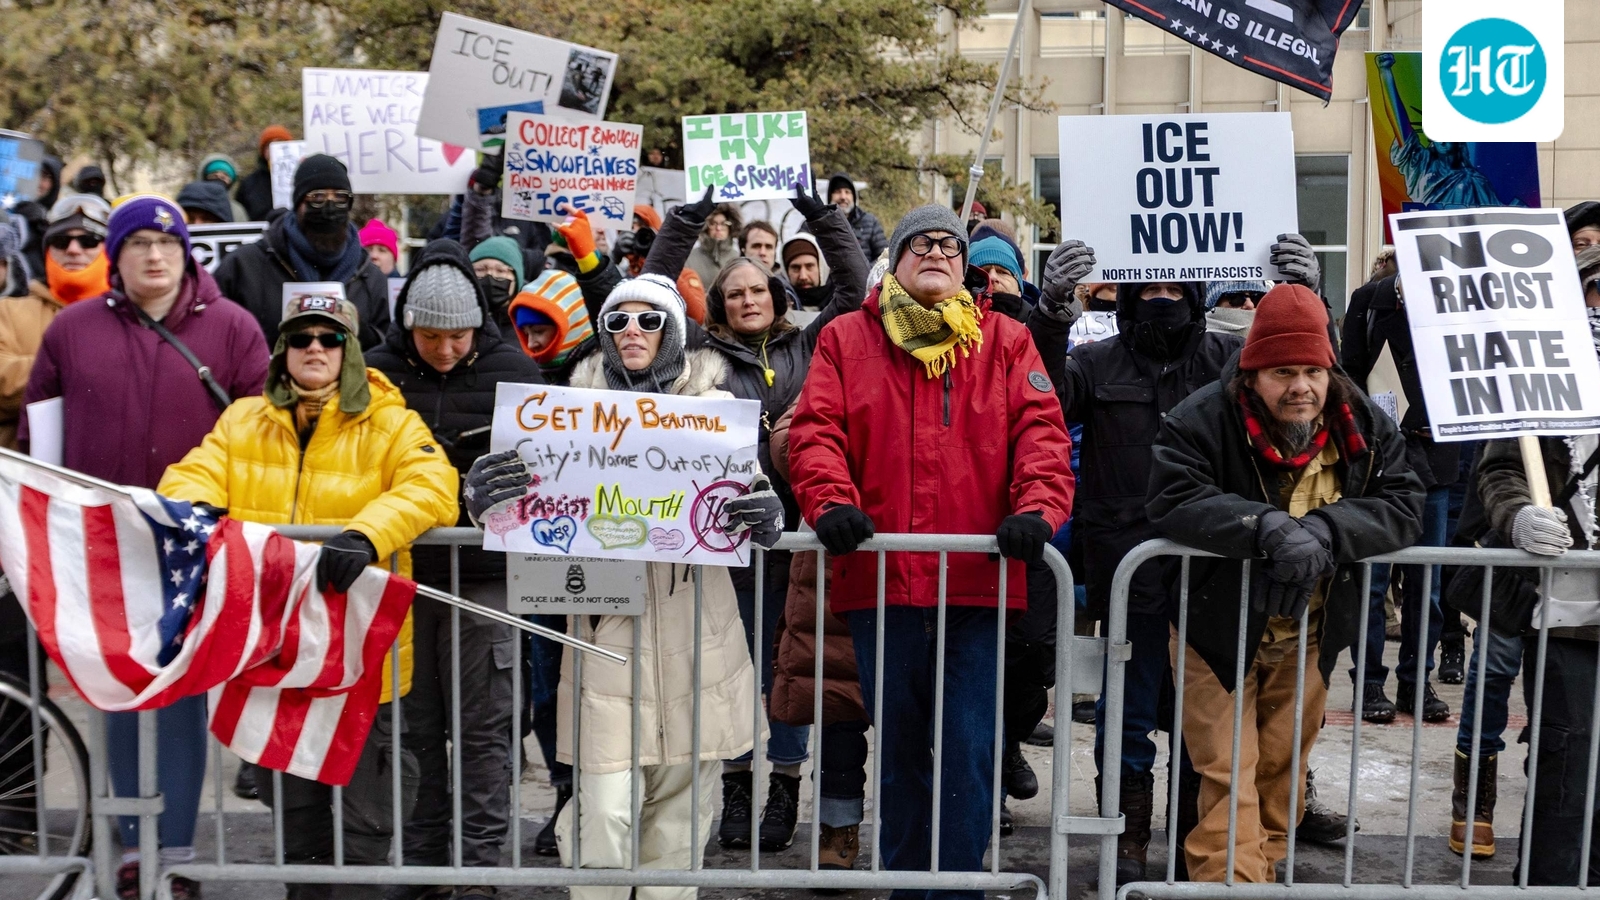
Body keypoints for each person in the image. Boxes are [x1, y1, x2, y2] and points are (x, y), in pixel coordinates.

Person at [461, 272, 779, 900]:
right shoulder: (560, 419)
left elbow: (755, 504)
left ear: (675, 332)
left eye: (650, 320)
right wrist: (482, 500)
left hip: (699, 644)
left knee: (680, 828)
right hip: (605, 645)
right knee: (602, 816)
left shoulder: (717, 416)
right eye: (618, 321)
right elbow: (525, 515)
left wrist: (768, 516)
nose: (633, 331)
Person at [788, 205, 1075, 899]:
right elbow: (815, 430)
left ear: (965, 264)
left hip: (975, 588)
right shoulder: (846, 339)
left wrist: (1035, 511)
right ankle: (910, 889)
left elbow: (1043, 438)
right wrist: (830, 502)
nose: (938, 253)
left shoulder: (1005, 341)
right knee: (902, 756)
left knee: (970, 755)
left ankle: (957, 891)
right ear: (899, 260)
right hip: (881, 585)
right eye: (922, 243)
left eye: (950, 244)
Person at [159, 292, 456, 900]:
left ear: (351, 350)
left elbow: (433, 486)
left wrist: (367, 534)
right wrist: (197, 507)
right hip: (279, 658)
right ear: (282, 351)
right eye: (300, 339)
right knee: (298, 829)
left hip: (361, 663)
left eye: (329, 338)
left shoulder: (392, 420)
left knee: (366, 824)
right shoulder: (243, 420)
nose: (314, 349)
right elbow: (191, 474)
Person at [1048, 232, 1323, 883]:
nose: (1163, 301)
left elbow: (1305, 389)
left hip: (1216, 582)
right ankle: (1128, 848)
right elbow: (1043, 400)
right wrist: (1050, 313)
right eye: (1150, 291)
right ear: (1128, 296)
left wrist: (1307, 298)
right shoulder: (1093, 362)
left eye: (1176, 290)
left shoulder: (1231, 358)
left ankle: (1199, 856)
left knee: (1212, 735)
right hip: (1130, 579)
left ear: (1196, 294)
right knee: (1129, 724)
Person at [23, 193, 270, 899]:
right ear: (116, 256)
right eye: (137, 245)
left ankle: (180, 853)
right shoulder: (71, 331)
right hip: (98, 551)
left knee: (183, 698)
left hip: (196, 550)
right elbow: (36, 440)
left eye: (165, 244)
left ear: (186, 251)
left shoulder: (234, 328)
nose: (153, 256)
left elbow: (266, 440)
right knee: (116, 696)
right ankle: (133, 852)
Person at [1145, 284, 1422, 883]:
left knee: (1281, 777)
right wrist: (1263, 526)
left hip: (1311, 635)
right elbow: (1171, 497)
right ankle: (1229, 888)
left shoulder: (1365, 424)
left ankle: (1261, 877)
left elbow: (1404, 501)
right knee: (1227, 776)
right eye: (1282, 372)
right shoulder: (1201, 419)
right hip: (1215, 631)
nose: (1300, 386)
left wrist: (1327, 528)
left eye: (1311, 371)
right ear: (1251, 374)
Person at [647, 183, 869, 849]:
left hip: (804, 544)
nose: (748, 298)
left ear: (779, 298)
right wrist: (686, 218)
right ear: (718, 304)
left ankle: (784, 789)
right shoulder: (695, 356)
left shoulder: (813, 346)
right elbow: (652, 291)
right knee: (734, 673)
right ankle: (739, 791)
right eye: (735, 291)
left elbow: (856, 292)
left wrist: (824, 219)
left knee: (793, 672)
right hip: (728, 547)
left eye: (759, 290)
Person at [365, 240, 544, 899]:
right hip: (402, 577)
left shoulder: (513, 369)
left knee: (484, 734)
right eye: (431, 337)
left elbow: (547, 472)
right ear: (409, 324)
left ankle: (478, 872)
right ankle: (421, 868)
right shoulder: (375, 373)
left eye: (458, 337)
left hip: (484, 581)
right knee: (412, 734)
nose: (445, 351)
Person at [1339, 272, 1455, 723]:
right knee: (1374, 580)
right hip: (1377, 461)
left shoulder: (1455, 302)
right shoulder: (1370, 301)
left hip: (1438, 461)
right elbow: (1346, 376)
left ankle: (1415, 681)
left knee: (1427, 583)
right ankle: (1368, 683)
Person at [767, 400, 871, 873]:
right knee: (835, 706)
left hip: (924, 557)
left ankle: (913, 831)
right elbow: (790, 443)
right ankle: (837, 826)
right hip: (836, 556)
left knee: (915, 715)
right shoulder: (842, 352)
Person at [213, 154, 391, 349]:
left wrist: (359, 329)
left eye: (340, 197)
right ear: (298, 203)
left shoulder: (371, 279)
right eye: (317, 197)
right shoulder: (244, 267)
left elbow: (387, 348)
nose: (329, 207)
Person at [0, 194, 111, 448]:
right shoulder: (7, 310)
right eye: (61, 241)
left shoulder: (133, 317)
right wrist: (77, 368)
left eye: (89, 241)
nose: (73, 250)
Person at [508, 268, 595, 384]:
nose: (530, 344)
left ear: (572, 324)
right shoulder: (533, 371)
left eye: (538, 331)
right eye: (525, 333)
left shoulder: (602, 369)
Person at [804, 173, 887, 263]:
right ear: (830, 196)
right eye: (838, 192)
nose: (843, 197)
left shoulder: (870, 222)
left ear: (854, 197)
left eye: (847, 192)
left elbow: (884, 257)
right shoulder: (817, 222)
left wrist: (868, 273)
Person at [469, 235, 526, 329]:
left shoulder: (528, 329)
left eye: (500, 271)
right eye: (480, 269)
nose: (490, 276)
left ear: (516, 278)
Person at [238, 125, 293, 221]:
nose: (275, 149)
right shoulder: (249, 184)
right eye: (270, 145)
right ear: (263, 152)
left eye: (280, 143)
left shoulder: (301, 178)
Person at [685, 202, 741, 288]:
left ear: (731, 227)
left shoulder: (738, 258)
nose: (718, 228)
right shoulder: (690, 259)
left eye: (723, 223)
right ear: (706, 227)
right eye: (713, 223)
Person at [1203, 280, 1269, 337]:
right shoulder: (1198, 345)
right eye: (1236, 298)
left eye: (1257, 298)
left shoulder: (1273, 340)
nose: (1250, 305)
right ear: (1213, 303)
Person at [197, 153, 250, 222]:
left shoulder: (237, 210)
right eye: (214, 175)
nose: (218, 179)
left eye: (223, 177)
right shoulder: (194, 207)